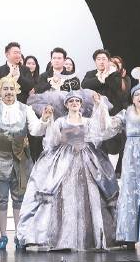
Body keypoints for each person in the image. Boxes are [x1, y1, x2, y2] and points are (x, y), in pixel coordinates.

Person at [16, 89, 119, 251]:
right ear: (66, 105)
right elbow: (52, 140)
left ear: (81, 104)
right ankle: (60, 237)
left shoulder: (87, 121)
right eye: (71, 101)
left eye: (77, 101)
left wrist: (99, 106)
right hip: (64, 159)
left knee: (90, 193)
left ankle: (90, 236)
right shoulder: (61, 121)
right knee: (62, 194)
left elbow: (100, 131)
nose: (74, 103)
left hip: (86, 158)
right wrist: (50, 120)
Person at [0, 76, 50, 249]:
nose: (9, 92)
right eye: (5, 89)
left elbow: (35, 131)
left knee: (19, 199)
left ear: (16, 90)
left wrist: (44, 119)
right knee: (1, 199)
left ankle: (19, 235)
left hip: (21, 160)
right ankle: (3, 235)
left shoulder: (26, 109)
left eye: (11, 89)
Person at [96, 82, 140, 251]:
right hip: (131, 159)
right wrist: (101, 106)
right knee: (131, 194)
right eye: (137, 94)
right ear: (132, 99)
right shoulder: (126, 114)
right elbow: (108, 126)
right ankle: (130, 236)